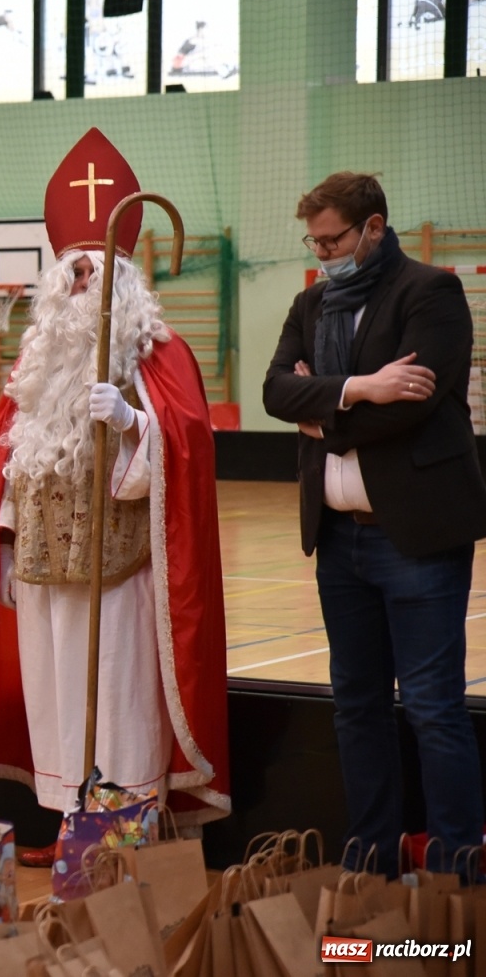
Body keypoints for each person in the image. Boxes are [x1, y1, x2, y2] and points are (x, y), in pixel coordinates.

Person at [0, 128, 231, 863]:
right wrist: (10, 542)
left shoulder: (158, 351)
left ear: (124, 279)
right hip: (51, 560)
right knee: (56, 692)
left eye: (94, 273)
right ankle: (74, 823)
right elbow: (13, 455)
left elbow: (188, 447)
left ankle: (126, 827)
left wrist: (133, 420)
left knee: (114, 691)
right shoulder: (39, 356)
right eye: (72, 276)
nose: (82, 286)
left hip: (122, 561)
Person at [262, 171, 486, 876]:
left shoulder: (430, 293)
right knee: (356, 706)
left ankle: (457, 865)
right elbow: (274, 389)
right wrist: (361, 387)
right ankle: (374, 859)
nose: (324, 251)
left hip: (415, 538)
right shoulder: (311, 301)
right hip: (339, 540)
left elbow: (412, 405)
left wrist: (318, 409)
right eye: (315, 240)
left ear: (374, 228)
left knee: (431, 706)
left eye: (334, 239)